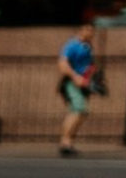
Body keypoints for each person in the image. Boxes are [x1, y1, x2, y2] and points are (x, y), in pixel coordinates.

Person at [55, 27, 98, 157]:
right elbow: (62, 64)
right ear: (80, 31)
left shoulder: (88, 47)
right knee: (78, 110)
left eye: (92, 31)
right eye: (87, 30)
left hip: (83, 84)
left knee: (80, 112)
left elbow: (90, 66)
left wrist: (90, 81)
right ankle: (65, 142)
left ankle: (68, 142)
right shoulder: (72, 45)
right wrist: (75, 77)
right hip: (71, 82)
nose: (90, 33)